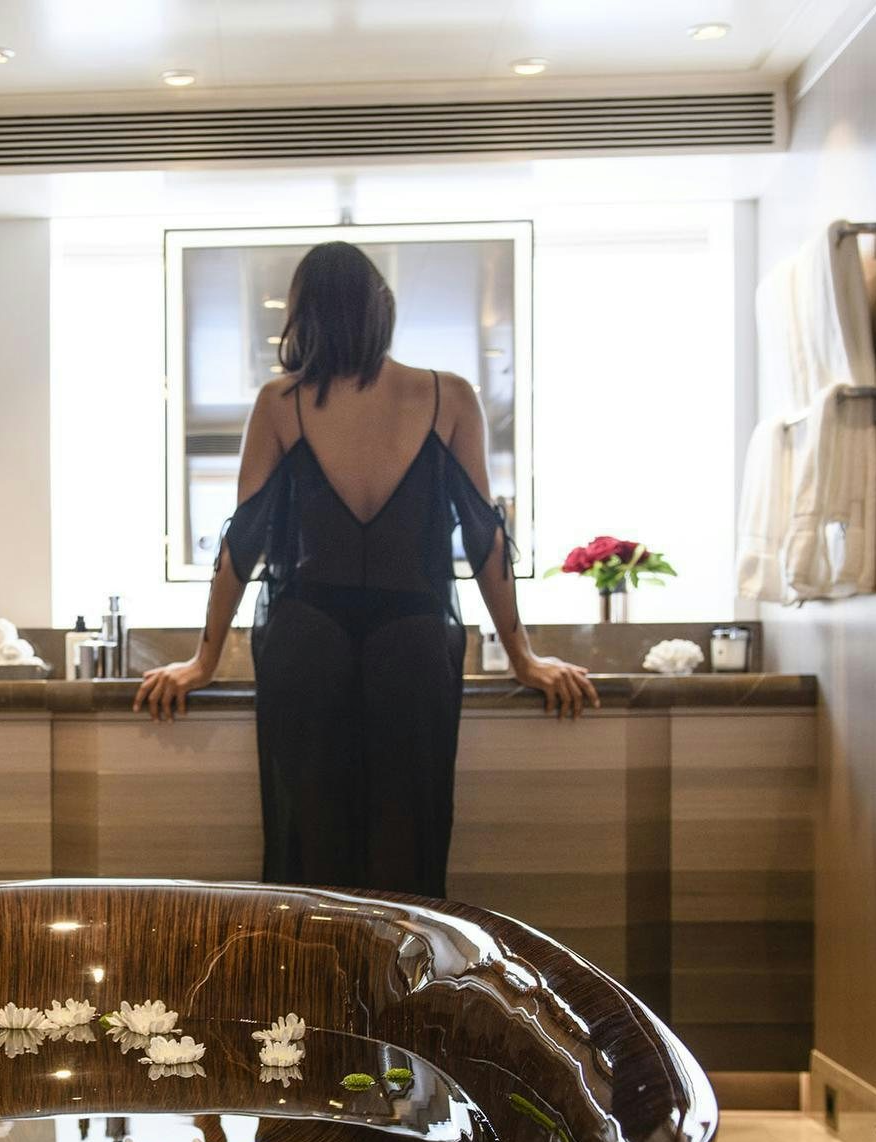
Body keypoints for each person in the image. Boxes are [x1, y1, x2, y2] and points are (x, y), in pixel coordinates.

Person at [133, 241, 597, 899]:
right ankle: (397, 1000)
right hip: (413, 631)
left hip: (304, 633)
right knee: (406, 843)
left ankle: (313, 1000)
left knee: (311, 846)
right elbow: (486, 540)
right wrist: (524, 657)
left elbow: (244, 543)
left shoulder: (280, 402)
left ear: (302, 315)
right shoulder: (449, 396)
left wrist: (202, 661)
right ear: (384, 308)